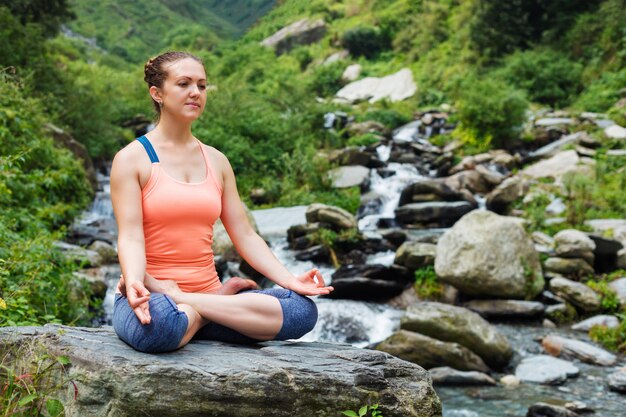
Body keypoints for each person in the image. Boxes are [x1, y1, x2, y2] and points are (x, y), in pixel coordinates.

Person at [111, 51, 333, 353]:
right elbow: (131, 236)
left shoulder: (217, 161)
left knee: (301, 310)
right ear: (157, 93)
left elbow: (244, 234)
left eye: (202, 85)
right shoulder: (131, 159)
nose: (195, 93)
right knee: (159, 325)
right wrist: (137, 281)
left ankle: (193, 308)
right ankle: (203, 309)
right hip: (154, 295)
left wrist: (290, 280)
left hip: (208, 293)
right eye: (184, 84)